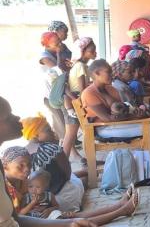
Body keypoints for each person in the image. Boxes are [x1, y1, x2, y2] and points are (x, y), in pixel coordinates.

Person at [80, 59, 150, 176]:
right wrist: (133, 116)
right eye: (108, 72)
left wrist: (135, 113)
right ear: (96, 74)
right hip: (103, 129)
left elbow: (121, 110)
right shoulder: (89, 93)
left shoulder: (110, 89)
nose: (112, 74)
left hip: (116, 124)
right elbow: (108, 118)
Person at [0, 96, 96, 227]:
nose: (17, 118)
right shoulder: (49, 149)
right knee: (76, 187)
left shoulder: (11, 161)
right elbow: (66, 175)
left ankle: (121, 208)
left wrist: (69, 223)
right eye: (8, 117)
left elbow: (16, 219)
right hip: (56, 198)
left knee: (75, 219)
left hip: (45, 203)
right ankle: (120, 208)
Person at [1, 146, 139, 225]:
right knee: (77, 221)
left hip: (40, 216)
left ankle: (118, 206)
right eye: (20, 166)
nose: (27, 169)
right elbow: (16, 217)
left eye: (29, 165)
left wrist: (50, 208)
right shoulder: (5, 186)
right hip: (30, 222)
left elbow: (40, 199)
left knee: (73, 216)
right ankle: (121, 211)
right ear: (5, 167)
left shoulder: (23, 180)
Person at [63, 37, 96, 161]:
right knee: (70, 135)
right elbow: (83, 89)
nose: (94, 53)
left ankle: (90, 160)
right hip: (75, 102)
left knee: (83, 133)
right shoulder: (80, 66)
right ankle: (64, 165)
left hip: (75, 101)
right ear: (82, 52)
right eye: (91, 51)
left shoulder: (81, 65)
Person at [39, 32, 69, 143]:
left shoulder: (56, 51)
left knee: (65, 123)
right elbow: (59, 70)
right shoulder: (44, 57)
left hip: (60, 92)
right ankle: (70, 153)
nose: (59, 44)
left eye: (59, 41)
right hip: (51, 95)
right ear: (47, 45)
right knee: (61, 124)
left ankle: (67, 148)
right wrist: (59, 53)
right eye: (55, 43)